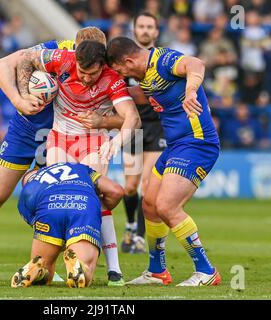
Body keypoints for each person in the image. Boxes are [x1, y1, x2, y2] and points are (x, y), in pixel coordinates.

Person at [0, 27, 114, 284]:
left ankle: (51, 268)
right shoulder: (54, 51)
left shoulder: (104, 65)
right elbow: (0, 65)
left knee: (66, 201)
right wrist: (19, 99)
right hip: (25, 132)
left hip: (64, 137)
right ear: (74, 47)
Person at [15, 40, 141, 286]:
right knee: (56, 196)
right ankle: (59, 261)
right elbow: (26, 58)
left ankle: (114, 268)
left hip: (93, 142)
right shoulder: (61, 58)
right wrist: (24, 94)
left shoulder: (112, 78)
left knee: (96, 197)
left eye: (92, 73)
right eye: (82, 72)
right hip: (59, 138)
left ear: (102, 66)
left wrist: (115, 144)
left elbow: (132, 118)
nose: (85, 78)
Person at [106, 37, 222, 286]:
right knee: (149, 205)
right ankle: (157, 271)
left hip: (197, 143)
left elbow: (196, 64)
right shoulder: (145, 76)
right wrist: (113, 95)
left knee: (167, 207)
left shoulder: (162, 60)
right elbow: (144, 95)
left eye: (120, 71)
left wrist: (191, 91)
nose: (121, 75)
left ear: (128, 61)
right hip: (176, 146)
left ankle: (206, 270)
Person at [11, 162, 124, 288]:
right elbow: (116, 191)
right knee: (86, 266)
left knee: (44, 264)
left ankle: (41, 272)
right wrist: (99, 210)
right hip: (82, 205)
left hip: (49, 210)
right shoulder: (79, 168)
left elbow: (37, 224)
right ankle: (80, 267)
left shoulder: (27, 190)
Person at [121, 12, 166, 254]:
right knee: (130, 186)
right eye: (141, 26)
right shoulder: (123, 61)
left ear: (156, 32)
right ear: (134, 29)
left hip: (157, 127)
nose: (146, 30)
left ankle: (139, 237)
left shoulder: (162, 60)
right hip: (133, 127)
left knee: (148, 186)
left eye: (150, 26)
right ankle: (129, 226)